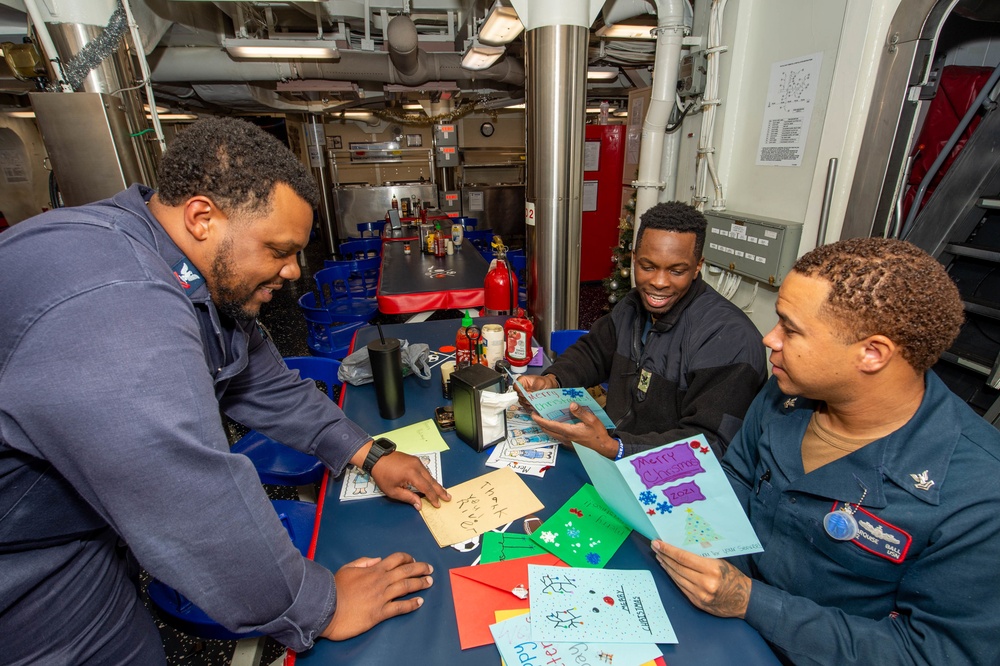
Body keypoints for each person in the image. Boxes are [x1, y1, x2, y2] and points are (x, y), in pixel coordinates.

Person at [0, 117, 450, 665]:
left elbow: (266, 384)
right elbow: (187, 497)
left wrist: (370, 453)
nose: (291, 271)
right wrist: (320, 606)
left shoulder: (183, 268)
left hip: (75, 534)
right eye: (278, 249)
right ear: (202, 217)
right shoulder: (118, 304)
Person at [653, 237, 1000, 665]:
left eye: (790, 329)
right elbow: (737, 478)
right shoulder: (785, 392)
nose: (769, 339)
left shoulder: (981, 494)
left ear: (872, 353)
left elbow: (933, 654)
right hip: (721, 625)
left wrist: (750, 601)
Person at [517, 201, 766, 460]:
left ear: (698, 266)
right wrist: (553, 380)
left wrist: (615, 447)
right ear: (634, 258)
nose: (658, 282)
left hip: (671, 481)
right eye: (647, 267)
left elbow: (711, 444)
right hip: (612, 452)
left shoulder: (731, 339)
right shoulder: (634, 304)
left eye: (676, 271)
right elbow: (594, 352)